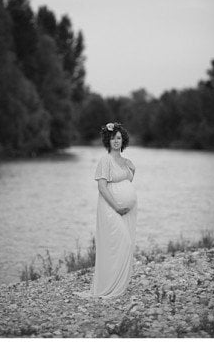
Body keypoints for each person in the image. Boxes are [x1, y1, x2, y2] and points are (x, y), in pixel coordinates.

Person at [91, 121, 137, 299]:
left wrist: (133, 169)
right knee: (120, 242)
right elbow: (102, 188)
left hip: (127, 210)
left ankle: (119, 284)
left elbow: (127, 182)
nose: (116, 141)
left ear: (123, 140)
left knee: (125, 244)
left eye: (118, 138)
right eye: (112, 138)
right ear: (107, 141)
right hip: (110, 207)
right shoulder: (105, 160)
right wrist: (117, 207)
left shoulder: (126, 161)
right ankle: (109, 286)